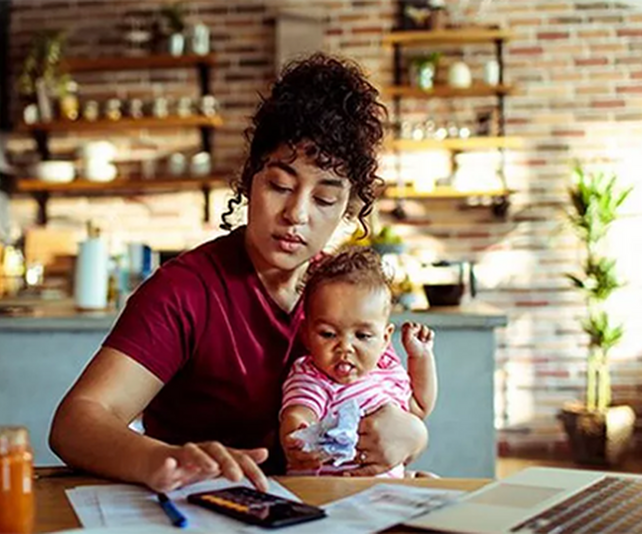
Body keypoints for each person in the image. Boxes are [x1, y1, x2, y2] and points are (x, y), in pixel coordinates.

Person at [49, 53, 429, 494]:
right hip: (203, 507)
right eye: (280, 186)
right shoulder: (186, 290)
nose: (296, 214)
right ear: (250, 179)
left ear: (348, 207)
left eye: (325, 199)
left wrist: (413, 436)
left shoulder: (344, 293)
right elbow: (76, 422)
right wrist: (160, 458)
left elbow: (389, 403)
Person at [279, 247, 437, 477]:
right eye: (328, 334)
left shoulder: (386, 370)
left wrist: (420, 357)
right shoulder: (312, 375)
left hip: (383, 490)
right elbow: (299, 411)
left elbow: (420, 408)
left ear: (385, 339)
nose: (345, 347)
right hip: (332, 489)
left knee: (431, 482)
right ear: (306, 335)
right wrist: (297, 434)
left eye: (362, 336)